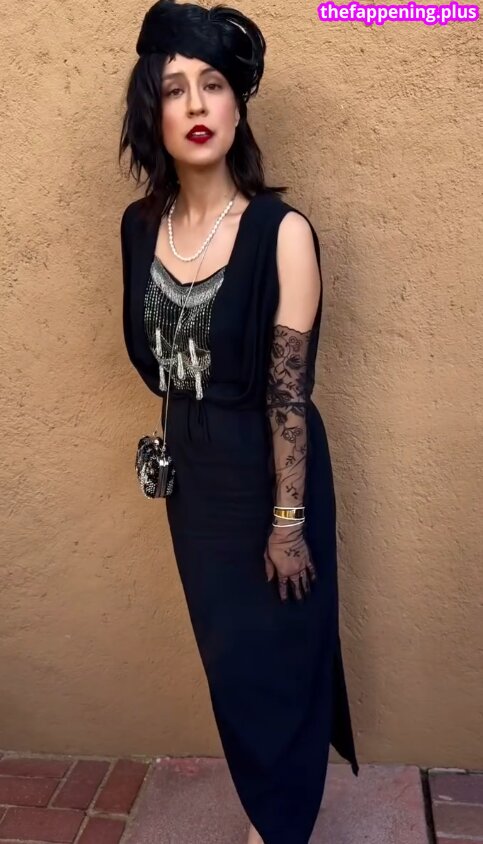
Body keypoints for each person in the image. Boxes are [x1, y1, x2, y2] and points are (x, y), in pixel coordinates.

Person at [119, 2, 359, 842]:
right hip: (195, 481)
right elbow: (157, 361)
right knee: (230, 664)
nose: (195, 105)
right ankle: (269, 803)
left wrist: (287, 523)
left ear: (237, 105)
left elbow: (288, 394)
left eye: (213, 85)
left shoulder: (280, 233)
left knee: (278, 662)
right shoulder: (139, 228)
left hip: (268, 474)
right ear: (151, 111)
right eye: (173, 88)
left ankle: (280, 824)